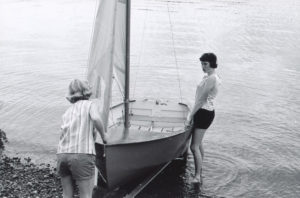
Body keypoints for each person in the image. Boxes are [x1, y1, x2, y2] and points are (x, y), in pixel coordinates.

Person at [56, 79, 108, 198]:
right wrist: (104, 136)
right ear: (87, 91)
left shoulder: (67, 111)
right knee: (85, 194)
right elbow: (95, 118)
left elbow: (62, 133)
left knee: (67, 194)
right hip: (81, 154)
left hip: (62, 154)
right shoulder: (90, 105)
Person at [188, 53, 221, 183]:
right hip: (204, 111)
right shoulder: (209, 77)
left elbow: (201, 99)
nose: (203, 66)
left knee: (193, 147)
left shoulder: (212, 78)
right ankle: (199, 172)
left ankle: (197, 177)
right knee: (199, 143)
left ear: (212, 63)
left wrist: (190, 116)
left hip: (204, 112)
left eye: (205, 64)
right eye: (202, 63)